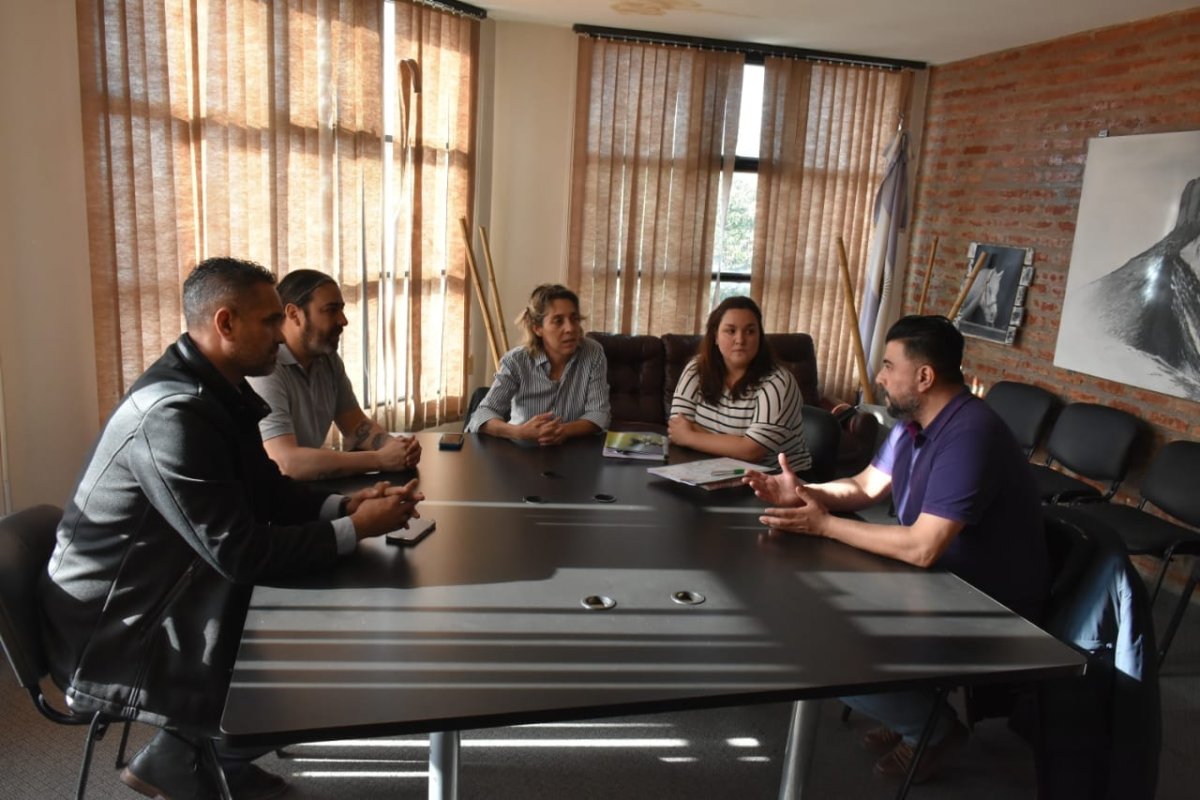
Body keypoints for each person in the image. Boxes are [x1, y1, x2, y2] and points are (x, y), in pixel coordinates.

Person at [39, 258, 424, 800]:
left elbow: (266, 491)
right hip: (116, 628)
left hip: (167, 587)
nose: (281, 334)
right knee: (320, 657)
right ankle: (183, 757)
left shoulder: (219, 391)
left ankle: (201, 757)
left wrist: (343, 506)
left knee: (315, 624)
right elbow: (238, 553)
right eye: (270, 321)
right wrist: (354, 531)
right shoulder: (173, 414)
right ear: (225, 323)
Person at [746, 314, 1048, 783]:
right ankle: (911, 706)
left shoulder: (971, 434)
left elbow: (924, 547)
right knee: (799, 603)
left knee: (818, 643)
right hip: (935, 580)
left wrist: (825, 526)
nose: (881, 377)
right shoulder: (914, 423)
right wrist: (805, 491)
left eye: (889, 365)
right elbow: (865, 487)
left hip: (984, 601)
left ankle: (931, 729)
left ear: (924, 376)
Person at [246, 269, 421, 480]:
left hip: (306, 490)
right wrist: (380, 459)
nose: (343, 320)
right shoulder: (266, 369)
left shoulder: (327, 359)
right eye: (331, 310)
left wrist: (395, 446)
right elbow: (285, 463)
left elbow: (356, 426)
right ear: (294, 314)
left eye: (342, 310)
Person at [668, 296, 811, 473]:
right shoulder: (696, 369)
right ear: (715, 336)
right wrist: (736, 445)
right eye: (731, 331)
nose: (740, 340)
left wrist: (690, 437)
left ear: (760, 337)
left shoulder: (778, 383)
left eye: (750, 331)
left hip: (776, 478)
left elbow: (752, 451)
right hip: (714, 470)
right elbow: (677, 428)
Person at [466, 283, 610, 445]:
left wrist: (563, 431)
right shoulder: (516, 361)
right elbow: (482, 415)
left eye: (574, 319)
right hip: (522, 451)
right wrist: (519, 432)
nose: (570, 328)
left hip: (573, 450)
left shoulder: (592, 352)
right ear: (537, 329)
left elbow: (599, 414)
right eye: (558, 321)